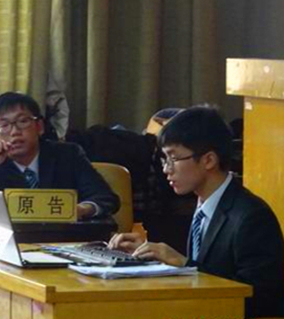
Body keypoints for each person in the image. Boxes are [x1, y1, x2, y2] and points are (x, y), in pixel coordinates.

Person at [108, 106, 284, 318]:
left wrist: (184, 264)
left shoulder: (251, 217)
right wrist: (150, 257)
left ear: (209, 160)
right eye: (164, 159)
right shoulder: (203, 205)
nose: (166, 169)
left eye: (174, 158)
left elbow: (261, 299)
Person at [0, 92, 120, 219]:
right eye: (4, 125)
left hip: (64, 241)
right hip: (13, 244)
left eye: (23, 121)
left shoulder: (68, 155)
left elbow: (105, 198)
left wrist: (80, 210)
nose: (15, 131)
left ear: (39, 127)